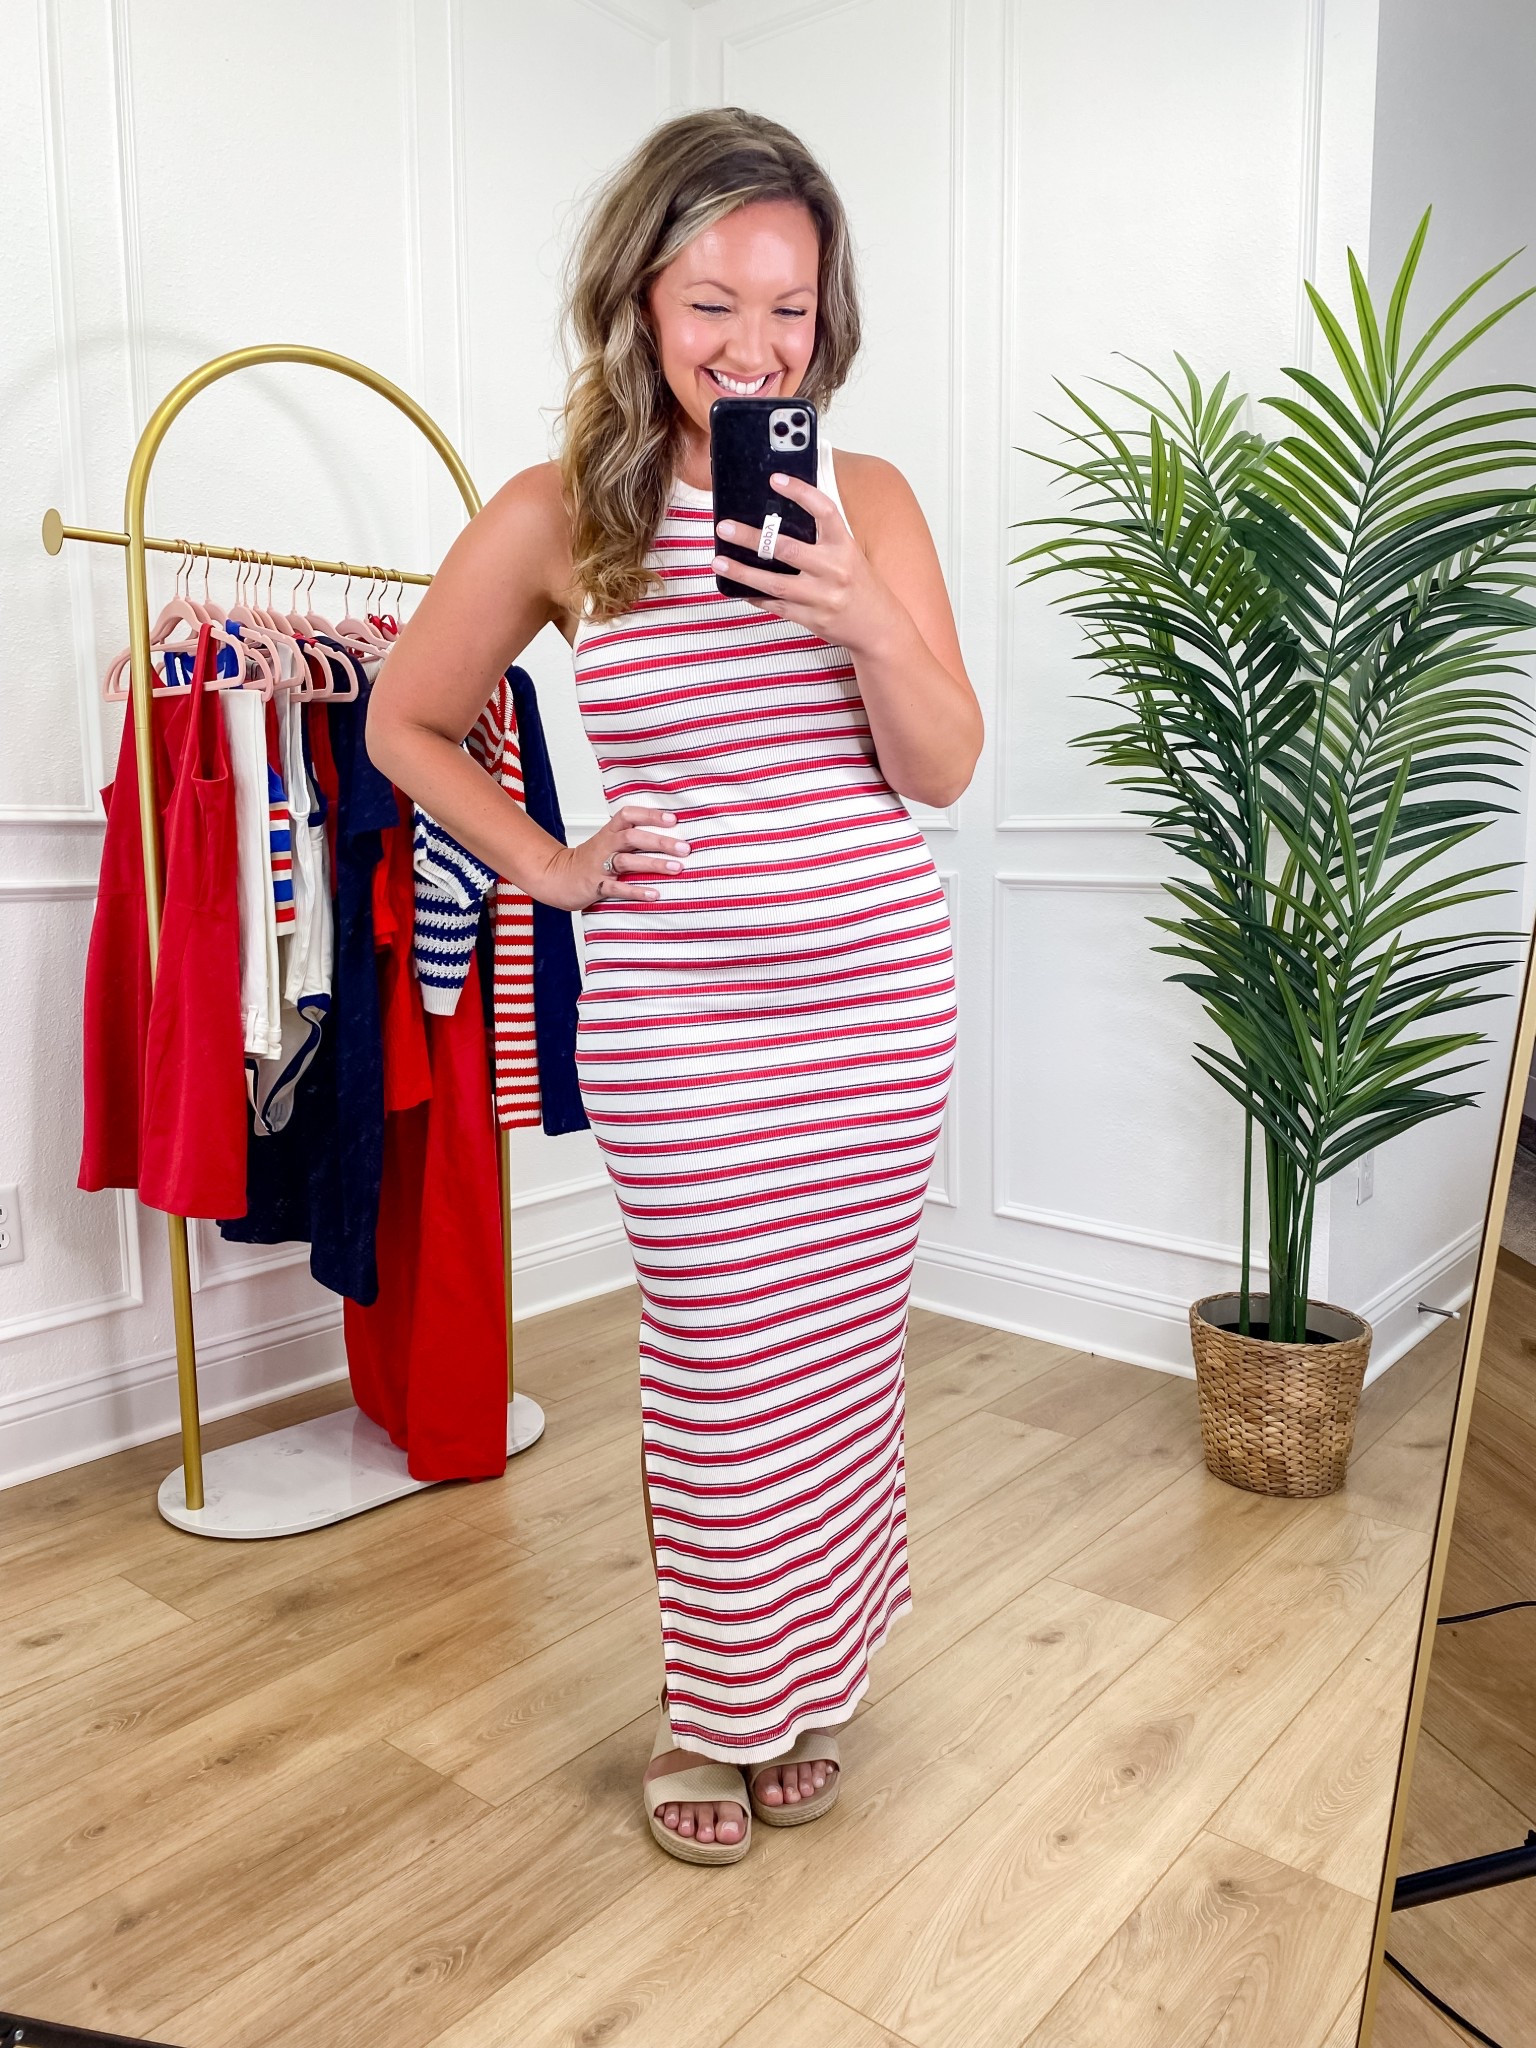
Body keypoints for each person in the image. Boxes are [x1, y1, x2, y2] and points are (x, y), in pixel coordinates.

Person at [367, 105, 982, 1866]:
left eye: (790, 308)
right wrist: (553, 866)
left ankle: (815, 1674)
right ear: (640, 298)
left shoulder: (868, 499)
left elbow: (942, 768)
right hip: (678, 1016)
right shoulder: (564, 515)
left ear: (827, 316)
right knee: (720, 1362)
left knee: (839, 1356)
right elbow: (408, 722)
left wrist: (863, 612)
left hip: (876, 1003)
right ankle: (712, 1707)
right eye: (714, 302)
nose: (754, 346)